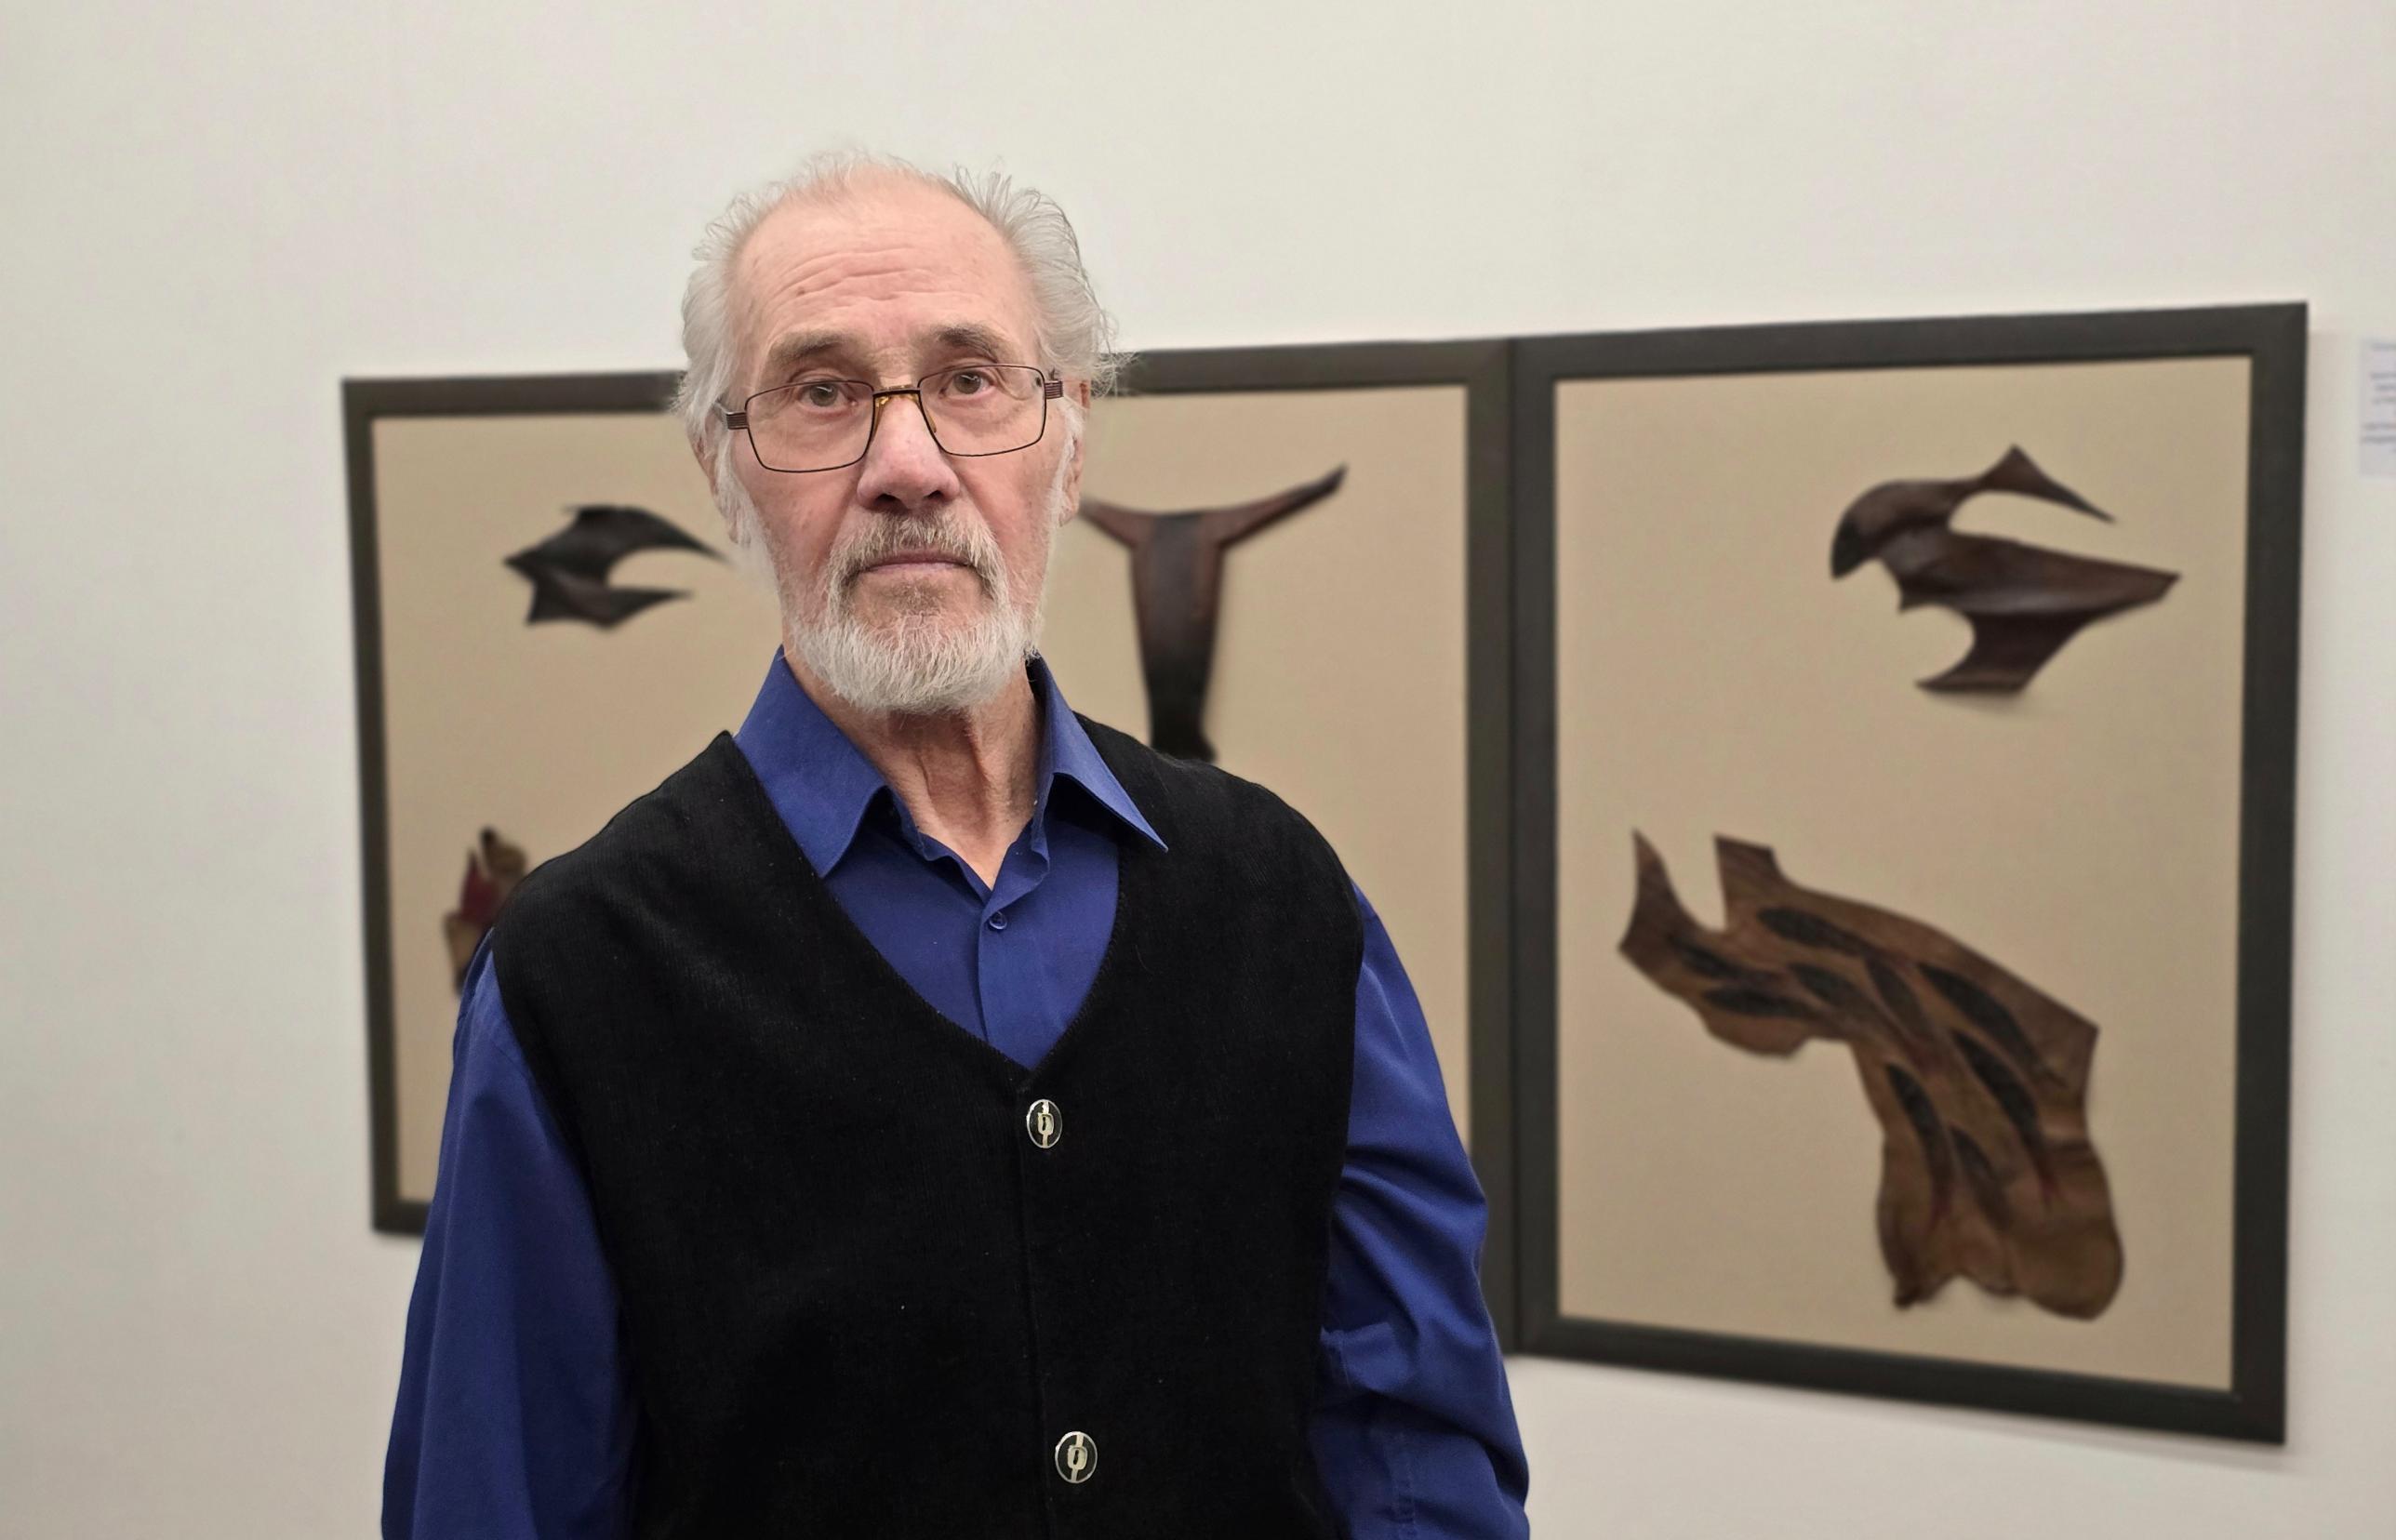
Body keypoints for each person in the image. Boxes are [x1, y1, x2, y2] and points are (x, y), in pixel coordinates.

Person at [382, 152, 1529, 1539]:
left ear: (1070, 440)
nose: (908, 467)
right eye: (822, 393)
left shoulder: (1283, 896)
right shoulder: (577, 974)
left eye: (970, 379)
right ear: (723, 471)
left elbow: (1417, 1451)